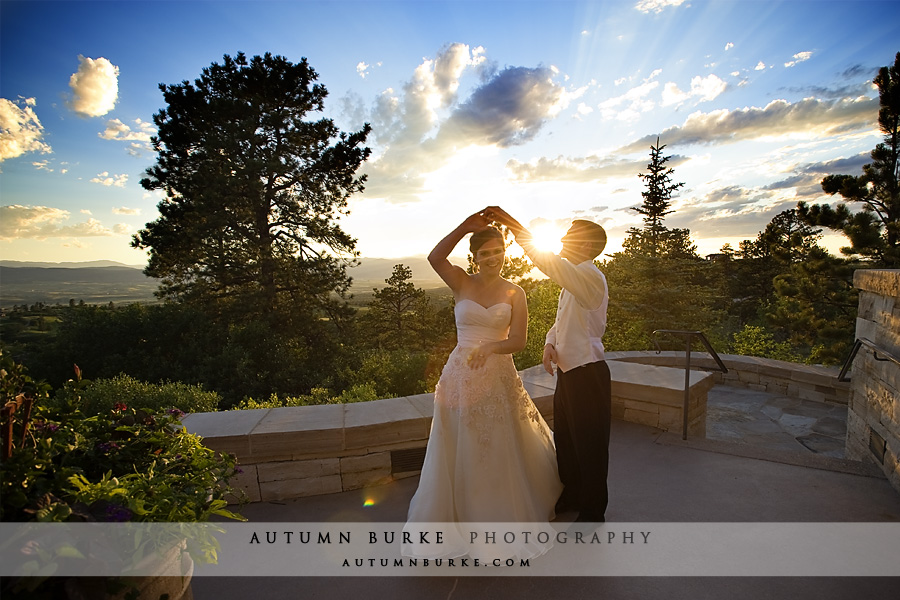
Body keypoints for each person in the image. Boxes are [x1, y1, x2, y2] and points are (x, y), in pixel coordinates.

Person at [402, 212, 562, 561]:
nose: (492, 258)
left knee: (494, 446)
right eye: (485, 253)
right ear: (474, 256)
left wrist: (491, 347)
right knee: (458, 443)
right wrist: (464, 227)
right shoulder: (460, 282)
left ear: (506, 252)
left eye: (498, 251)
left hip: (497, 377)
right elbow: (435, 257)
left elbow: (518, 341)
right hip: (460, 375)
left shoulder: (516, 292)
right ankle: (456, 517)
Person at [484, 206, 610, 523]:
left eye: (568, 238)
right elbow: (561, 322)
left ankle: (594, 510)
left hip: (589, 375)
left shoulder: (590, 277)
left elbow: (547, 262)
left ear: (584, 246)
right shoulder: (573, 282)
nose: (562, 242)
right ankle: (574, 494)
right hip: (569, 374)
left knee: (590, 445)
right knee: (567, 442)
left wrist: (510, 221)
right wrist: (550, 343)